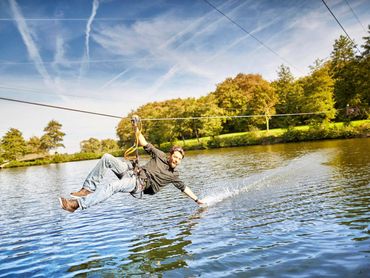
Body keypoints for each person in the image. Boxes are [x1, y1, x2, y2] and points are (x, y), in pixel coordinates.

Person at [59, 118, 205, 213]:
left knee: (113, 186)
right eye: (175, 157)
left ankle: (76, 205)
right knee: (107, 158)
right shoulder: (160, 155)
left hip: (138, 184)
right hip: (132, 171)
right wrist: (136, 127)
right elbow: (143, 141)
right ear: (170, 155)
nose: (176, 160)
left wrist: (197, 200)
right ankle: (87, 189)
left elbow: (185, 188)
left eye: (179, 159)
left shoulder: (174, 176)